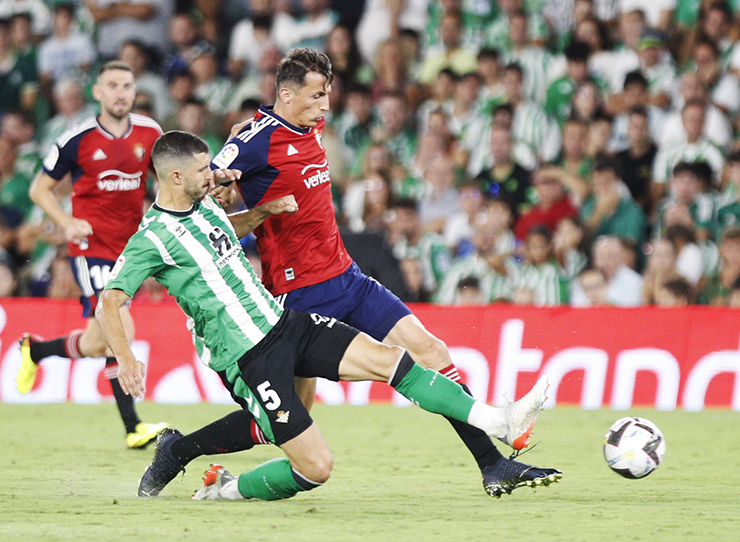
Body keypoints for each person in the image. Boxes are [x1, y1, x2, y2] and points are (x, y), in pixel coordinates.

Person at [143, 48, 561, 499]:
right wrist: (226, 193)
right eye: (317, 95)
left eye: (328, 94)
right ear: (286, 94)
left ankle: (493, 464)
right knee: (283, 423)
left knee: (429, 348)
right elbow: (207, 185)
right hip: (298, 295)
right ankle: (180, 451)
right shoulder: (254, 141)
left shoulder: (310, 125)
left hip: (348, 278)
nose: (326, 105)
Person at [15, 61, 168, 449]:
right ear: (97, 93)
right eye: (112, 85)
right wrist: (66, 222)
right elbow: (39, 190)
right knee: (120, 327)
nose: (121, 93)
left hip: (131, 248)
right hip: (91, 248)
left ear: (135, 92)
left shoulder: (150, 133)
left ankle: (36, 349)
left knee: (98, 343)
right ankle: (133, 427)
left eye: (127, 86)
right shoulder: (76, 138)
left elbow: (166, 181)